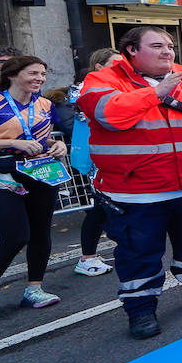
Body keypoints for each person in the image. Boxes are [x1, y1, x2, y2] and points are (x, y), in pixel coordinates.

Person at [77, 27, 182, 338]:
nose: (167, 51)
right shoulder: (103, 80)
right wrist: (157, 93)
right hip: (136, 191)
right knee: (138, 252)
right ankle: (141, 310)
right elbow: (108, 114)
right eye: (157, 46)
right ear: (132, 50)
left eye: (170, 45)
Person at [0, 56, 67, 309]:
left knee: (41, 231)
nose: (40, 78)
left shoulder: (46, 105)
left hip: (41, 172)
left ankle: (34, 288)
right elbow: (19, 138)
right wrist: (12, 143)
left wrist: (57, 144)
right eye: (33, 73)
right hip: (5, 173)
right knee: (16, 235)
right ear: (12, 75)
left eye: (43, 74)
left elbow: (45, 136)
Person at [70, 48, 118, 276]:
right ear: (99, 66)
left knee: (116, 205)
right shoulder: (83, 89)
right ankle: (87, 257)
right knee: (100, 207)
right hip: (95, 157)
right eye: (114, 63)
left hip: (118, 155)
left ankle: (121, 247)